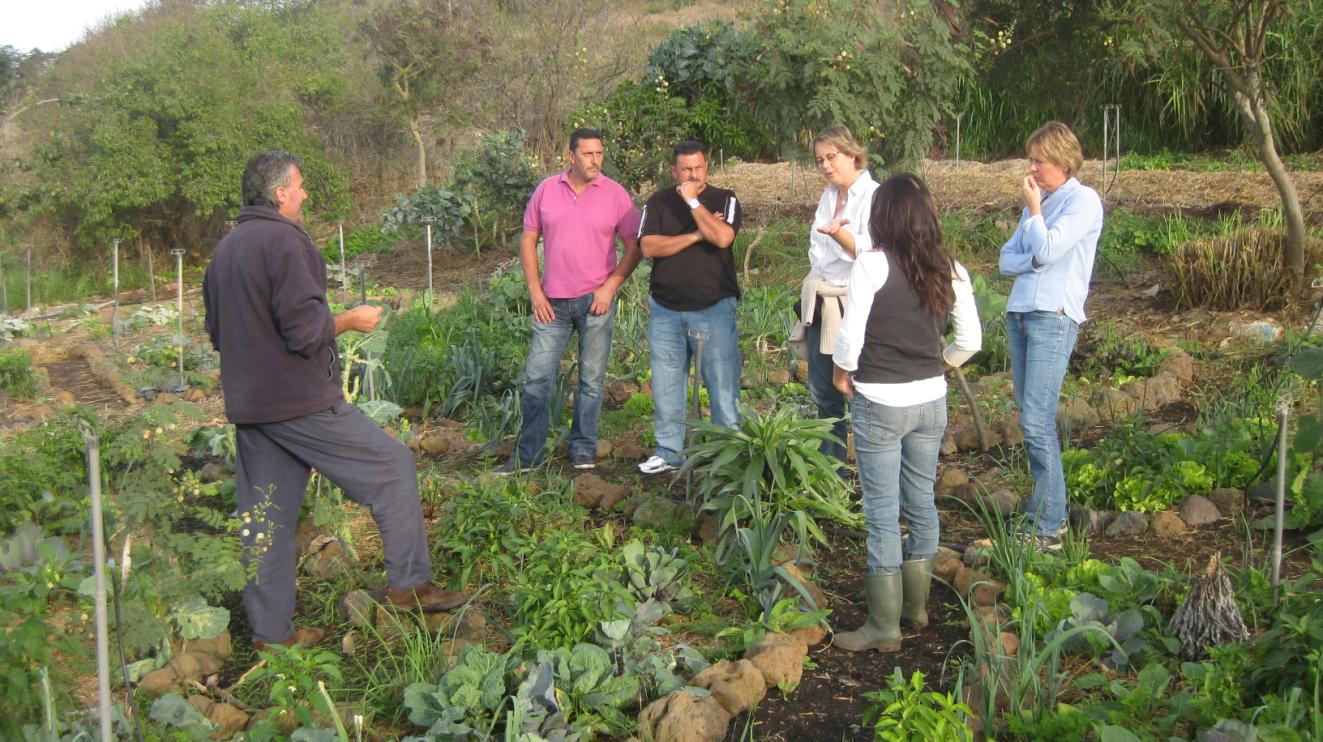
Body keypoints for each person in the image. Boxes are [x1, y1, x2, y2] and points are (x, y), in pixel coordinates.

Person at [204, 150, 468, 650]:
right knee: (392, 467)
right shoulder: (285, 242)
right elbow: (304, 332)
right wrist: (350, 320)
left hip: (250, 406)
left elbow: (219, 333)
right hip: (297, 401)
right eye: (299, 186)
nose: (304, 194)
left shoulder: (226, 250)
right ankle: (410, 586)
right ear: (280, 193)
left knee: (267, 520)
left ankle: (271, 635)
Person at [832, 173, 981, 652]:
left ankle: (883, 626)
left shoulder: (871, 266)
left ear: (883, 217)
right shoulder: (950, 268)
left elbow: (851, 337)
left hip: (881, 403)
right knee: (921, 500)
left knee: (880, 512)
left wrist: (841, 372)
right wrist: (943, 362)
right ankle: (917, 608)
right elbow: (970, 341)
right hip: (930, 401)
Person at [497, 128, 642, 474]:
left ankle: (582, 451)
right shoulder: (547, 190)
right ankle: (527, 456)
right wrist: (534, 290)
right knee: (536, 379)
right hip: (552, 305)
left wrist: (610, 288)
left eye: (599, 153)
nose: (595, 160)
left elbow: (635, 246)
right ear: (571, 156)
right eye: (588, 154)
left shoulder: (615, 194)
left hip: (596, 303)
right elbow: (529, 239)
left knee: (591, 381)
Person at [998, 121, 1102, 551]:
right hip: (1021, 312)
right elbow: (1006, 260)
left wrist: (1037, 219)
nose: (1031, 167)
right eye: (1031, 160)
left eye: (1038, 160)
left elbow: (1045, 251)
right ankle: (1044, 511)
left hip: (1053, 316)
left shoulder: (1083, 202)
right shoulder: (1037, 205)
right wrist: (1036, 255)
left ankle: (1050, 525)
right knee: (1029, 417)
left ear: (1062, 159)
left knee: (1038, 420)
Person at [637, 140, 742, 475]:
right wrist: (698, 235)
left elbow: (724, 238)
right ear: (673, 170)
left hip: (713, 306)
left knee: (722, 384)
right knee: (668, 384)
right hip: (666, 310)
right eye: (686, 169)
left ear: (706, 167)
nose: (693, 174)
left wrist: (693, 202)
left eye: (698, 168)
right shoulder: (658, 202)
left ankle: (728, 454)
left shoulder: (726, 198)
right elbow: (649, 246)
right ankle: (668, 453)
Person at [799, 126, 879, 466]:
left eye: (832, 157)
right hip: (822, 297)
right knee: (823, 390)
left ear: (852, 154)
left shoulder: (875, 195)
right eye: (820, 160)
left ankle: (870, 466)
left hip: (854, 301)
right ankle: (831, 470)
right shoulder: (828, 197)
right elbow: (817, 249)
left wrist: (840, 235)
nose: (826, 166)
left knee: (858, 389)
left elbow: (872, 251)